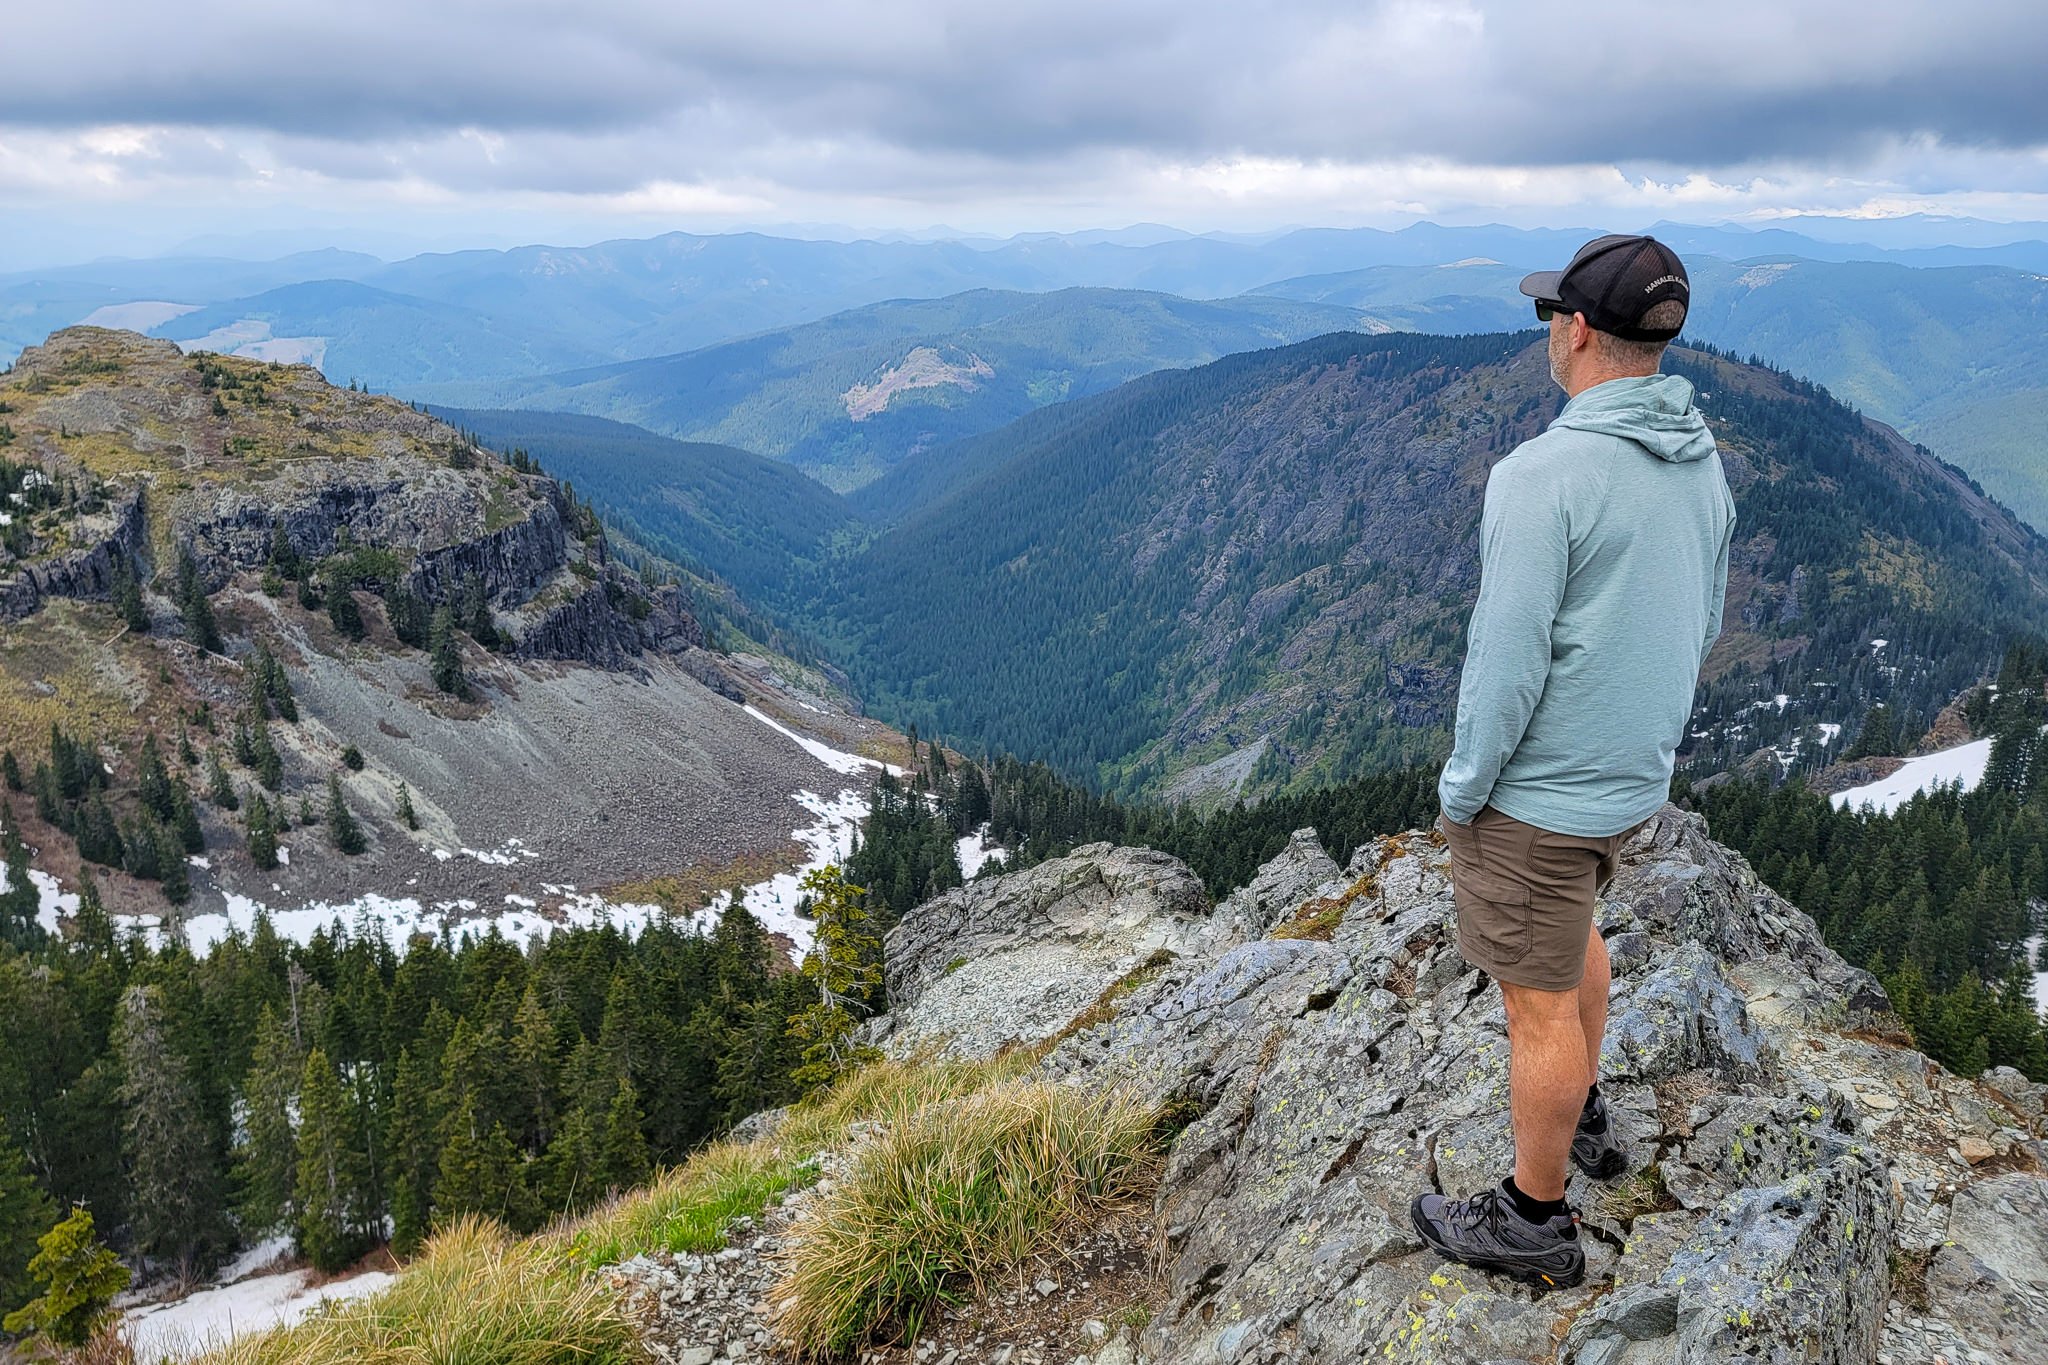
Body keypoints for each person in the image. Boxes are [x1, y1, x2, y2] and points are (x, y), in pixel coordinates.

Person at [1408, 234, 1737, 1291]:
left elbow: (1501, 664)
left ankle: (1532, 1219)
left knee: (1532, 1004)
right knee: (1572, 935)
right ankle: (1579, 1104)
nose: (1550, 328)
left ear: (1577, 330)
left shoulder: (1542, 475)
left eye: (1553, 313)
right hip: (1625, 780)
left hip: (1537, 792)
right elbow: (1705, 617)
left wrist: (1464, 791)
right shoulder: (1693, 459)